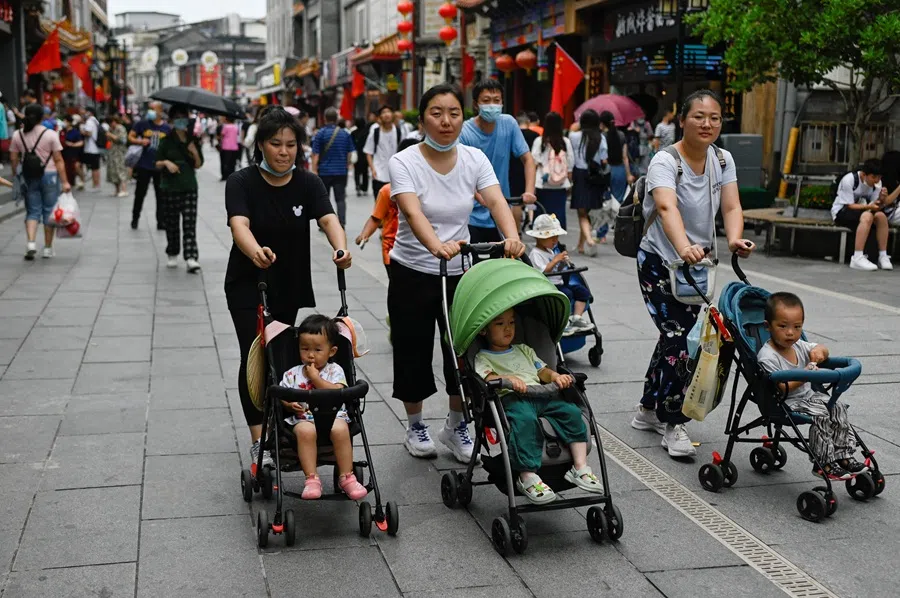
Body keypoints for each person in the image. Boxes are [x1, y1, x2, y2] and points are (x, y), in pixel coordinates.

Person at [387, 83, 525, 461]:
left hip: (460, 270)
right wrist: (435, 245)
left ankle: (456, 424)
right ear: (422, 118)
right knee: (412, 348)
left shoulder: (474, 158)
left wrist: (511, 237)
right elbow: (412, 212)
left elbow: (496, 199)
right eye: (436, 113)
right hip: (412, 269)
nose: (446, 121)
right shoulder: (404, 161)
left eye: (453, 113)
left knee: (461, 350)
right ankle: (415, 425)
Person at [226, 106, 351, 471]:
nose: (283, 151)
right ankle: (257, 440)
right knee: (254, 357)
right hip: (249, 283)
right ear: (261, 145)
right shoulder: (242, 182)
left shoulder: (308, 183)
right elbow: (239, 226)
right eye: (275, 144)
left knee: (282, 357)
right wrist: (255, 252)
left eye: (291, 145)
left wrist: (340, 248)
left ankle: (288, 425)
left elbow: (329, 219)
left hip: (289, 283)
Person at [632, 89, 755, 458]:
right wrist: (683, 245)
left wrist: (734, 239)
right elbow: (667, 207)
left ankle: (647, 409)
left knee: (675, 336)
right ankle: (674, 423)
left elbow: (731, 204)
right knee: (678, 339)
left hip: (697, 265)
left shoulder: (722, 158)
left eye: (714, 117)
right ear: (681, 119)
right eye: (698, 116)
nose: (707, 124)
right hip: (659, 261)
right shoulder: (664, 161)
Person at [474, 308, 602, 503]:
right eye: (500, 324)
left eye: (512, 323)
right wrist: (508, 378)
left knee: (572, 412)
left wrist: (556, 377)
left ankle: (580, 466)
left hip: (541, 393)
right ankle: (527, 476)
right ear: (484, 331)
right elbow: (488, 377)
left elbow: (542, 371)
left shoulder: (524, 350)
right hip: (513, 397)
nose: (508, 328)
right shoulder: (483, 357)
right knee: (524, 421)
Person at [758, 292, 868, 479]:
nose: (790, 332)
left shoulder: (800, 345)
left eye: (797, 327)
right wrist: (806, 375)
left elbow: (822, 349)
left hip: (809, 397)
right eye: (783, 326)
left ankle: (843, 455)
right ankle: (823, 462)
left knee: (838, 407)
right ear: (768, 326)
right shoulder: (767, 356)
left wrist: (819, 352)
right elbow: (782, 388)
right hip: (787, 401)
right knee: (822, 414)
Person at [279, 314, 368, 500]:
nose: (311, 354)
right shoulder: (292, 374)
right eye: (305, 349)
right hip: (304, 419)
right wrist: (289, 403)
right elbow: (283, 395)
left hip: (334, 416)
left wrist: (316, 379)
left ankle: (346, 476)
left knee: (341, 429)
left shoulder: (335, 371)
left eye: (318, 349)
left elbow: (337, 391)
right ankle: (311, 479)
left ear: (332, 351)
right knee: (305, 432)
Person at [459, 79, 537, 243]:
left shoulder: (508, 124)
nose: (492, 105)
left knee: (505, 261)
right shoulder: (464, 132)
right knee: (472, 264)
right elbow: (458, 172)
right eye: (486, 101)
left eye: (496, 101)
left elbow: (528, 159)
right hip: (469, 213)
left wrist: (529, 191)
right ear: (475, 104)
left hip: (501, 209)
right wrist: (476, 194)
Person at [9, 103, 71, 260]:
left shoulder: (18, 135)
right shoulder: (50, 134)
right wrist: (65, 182)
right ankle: (48, 248)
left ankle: (30, 243)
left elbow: (13, 158)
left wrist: (16, 174)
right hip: (49, 175)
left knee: (32, 211)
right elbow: (58, 160)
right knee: (49, 211)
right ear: (42, 117)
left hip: (29, 176)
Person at [355, 138, 420, 279]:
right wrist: (364, 235)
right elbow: (376, 217)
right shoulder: (387, 191)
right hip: (392, 251)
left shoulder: (426, 188)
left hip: (421, 251)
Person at [527, 214, 595, 335]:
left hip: (560, 282)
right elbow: (543, 271)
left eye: (556, 237)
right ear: (539, 238)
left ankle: (576, 318)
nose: (555, 240)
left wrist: (564, 262)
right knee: (567, 293)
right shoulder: (535, 253)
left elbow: (558, 269)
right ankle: (563, 321)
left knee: (582, 291)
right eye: (552, 237)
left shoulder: (551, 251)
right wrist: (555, 260)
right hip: (548, 285)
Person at [156, 105, 204, 273]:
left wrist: (194, 152)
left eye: (183, 117)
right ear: (171, 121)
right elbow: (156, 162)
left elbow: (198, 164)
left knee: (190, 223)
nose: (180, 121)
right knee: (172, 223)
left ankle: (191, 257)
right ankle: (172, 252)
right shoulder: (165, 140)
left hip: (189, 185)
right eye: (177, 118)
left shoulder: (193, 140)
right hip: (170, 187)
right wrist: (166, 163)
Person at [830, 159, 900, 271]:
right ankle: (857, 257)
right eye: (873, 177)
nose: (877, 181)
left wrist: (881, 199)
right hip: (841, 212)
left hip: (863, 211)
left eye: (879, 177)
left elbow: (876, 205)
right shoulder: (849, 179)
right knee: (867, 216)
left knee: (881, 217)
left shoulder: (877, 183)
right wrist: (869, 208)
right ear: (864, 174)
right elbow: (850, 205)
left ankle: (883, 256)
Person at [569, 109, 610, 254]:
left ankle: (589, 239)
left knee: (582, 212)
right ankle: (580, 246)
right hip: (595, 176)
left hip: (580, 175)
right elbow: (604, 159)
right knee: (587, 211)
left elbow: (570, 149)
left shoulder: (574, 137)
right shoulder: (601, 138)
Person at [311, 107, 357, 227]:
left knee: (323, 199)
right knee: (340, 199)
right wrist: (346, 164)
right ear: (336, 119)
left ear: (325, 118)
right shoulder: (345, 133)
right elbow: (350, 153)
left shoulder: (320, 133)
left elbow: (315, 154)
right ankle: (341, 222)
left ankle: (324, 224)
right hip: (341, 171)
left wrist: (314, 170)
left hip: (324, 172)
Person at [129, 103, 171, 230]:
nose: (150, 111)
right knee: (140, 194)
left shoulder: (167, 128)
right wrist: (140, 141)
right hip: (144, 165)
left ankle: (161, 221)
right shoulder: (142, 124)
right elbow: (130, 136)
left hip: (160, 166)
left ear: (160, 111)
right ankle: (135, 218)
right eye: (150, 109)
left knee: (161, 195)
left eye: (153, 109)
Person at [531, 111, 574, 230]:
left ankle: (542, 243)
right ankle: (555, 243)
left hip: (542, 184)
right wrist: (569, 182)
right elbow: (570, 164)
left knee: (542, 215)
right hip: (560, 185)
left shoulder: (540, 142)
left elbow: (533, 162)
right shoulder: (565, 142)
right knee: (557, 216)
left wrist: (531, 185)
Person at [364, 105, 402, 199]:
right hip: (379, 174)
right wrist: (372, 169)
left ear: (392, 115)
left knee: (394, 206)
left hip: (395, 174)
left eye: (388, 112)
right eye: (383, 113)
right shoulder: (375, 132)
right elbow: (368, 152)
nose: (386, 114)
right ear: (380, 117)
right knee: (378, 205)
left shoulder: (398, 131)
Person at [106, 114, 129, 197]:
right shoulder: (110, 129)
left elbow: (122, 140)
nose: (110, 125)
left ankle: (124, 190)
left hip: (120, 152)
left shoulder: (120, 128)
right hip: (112, 152)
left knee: (121, 170)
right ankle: (117, 190)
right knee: (113, 171)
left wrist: (111, 135)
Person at [60, 115, 84, 193]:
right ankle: (67, 183)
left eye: (65, 121)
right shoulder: (62, 131)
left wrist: (72, 145)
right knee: (65, 168)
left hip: (74, 153)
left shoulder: (75, 132)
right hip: (64, 153)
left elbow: (81, 142)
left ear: (69, 122)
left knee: (76, 167)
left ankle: (81, 180)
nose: (64, 123)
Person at [81, 106, 102, 191]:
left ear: (89, 112)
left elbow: (88, 133)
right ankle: (97, 184)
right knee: (96, 167)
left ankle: (95, 185)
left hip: (91, 148)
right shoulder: (95, 121)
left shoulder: (89, 121)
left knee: (94, 168)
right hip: (96, 148)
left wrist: (82, 131)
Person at [350, 117, 370, 196]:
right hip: (365, 154)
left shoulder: (353, 133)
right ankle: (365, 188)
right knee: (365, 172)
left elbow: (351, 144)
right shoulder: (367, 132)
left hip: (357, 154)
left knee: (357, 172)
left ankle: (357, 186)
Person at [219, 117, 241, 181]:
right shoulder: (236, 127)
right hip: (234, 147)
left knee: (225, 162)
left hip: (226, 147)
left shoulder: (225, 126)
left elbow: (222, 135)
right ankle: (232, 176)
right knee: (232, 162)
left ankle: (224, 176)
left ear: (227, 119)